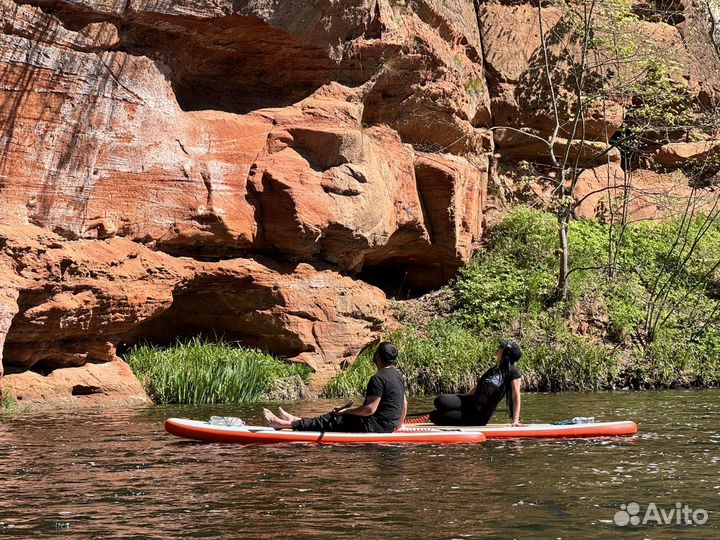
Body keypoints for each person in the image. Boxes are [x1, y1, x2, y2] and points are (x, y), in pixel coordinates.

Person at [263, 342, 407, 433]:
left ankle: (283, 424)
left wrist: (346, 410)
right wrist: (397, 425)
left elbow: (369, 409)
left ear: (378, 356)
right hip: (387, 426)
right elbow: (404, 404)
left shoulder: (378, 378)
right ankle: (295, 420)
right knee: (333, 417)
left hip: (375, 427)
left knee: (333, 417)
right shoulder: (398, 376)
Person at [429, 339, 523, 427]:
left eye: (501, 347)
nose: (498, 348)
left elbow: (516, 397)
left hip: (478, 415)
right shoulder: (492, 370)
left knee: (435, 416)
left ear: (506, 354)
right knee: (440, 401)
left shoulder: (513, 373)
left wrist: (515, 420)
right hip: (470, 402)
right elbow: (478, 386)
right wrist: (462, 402)